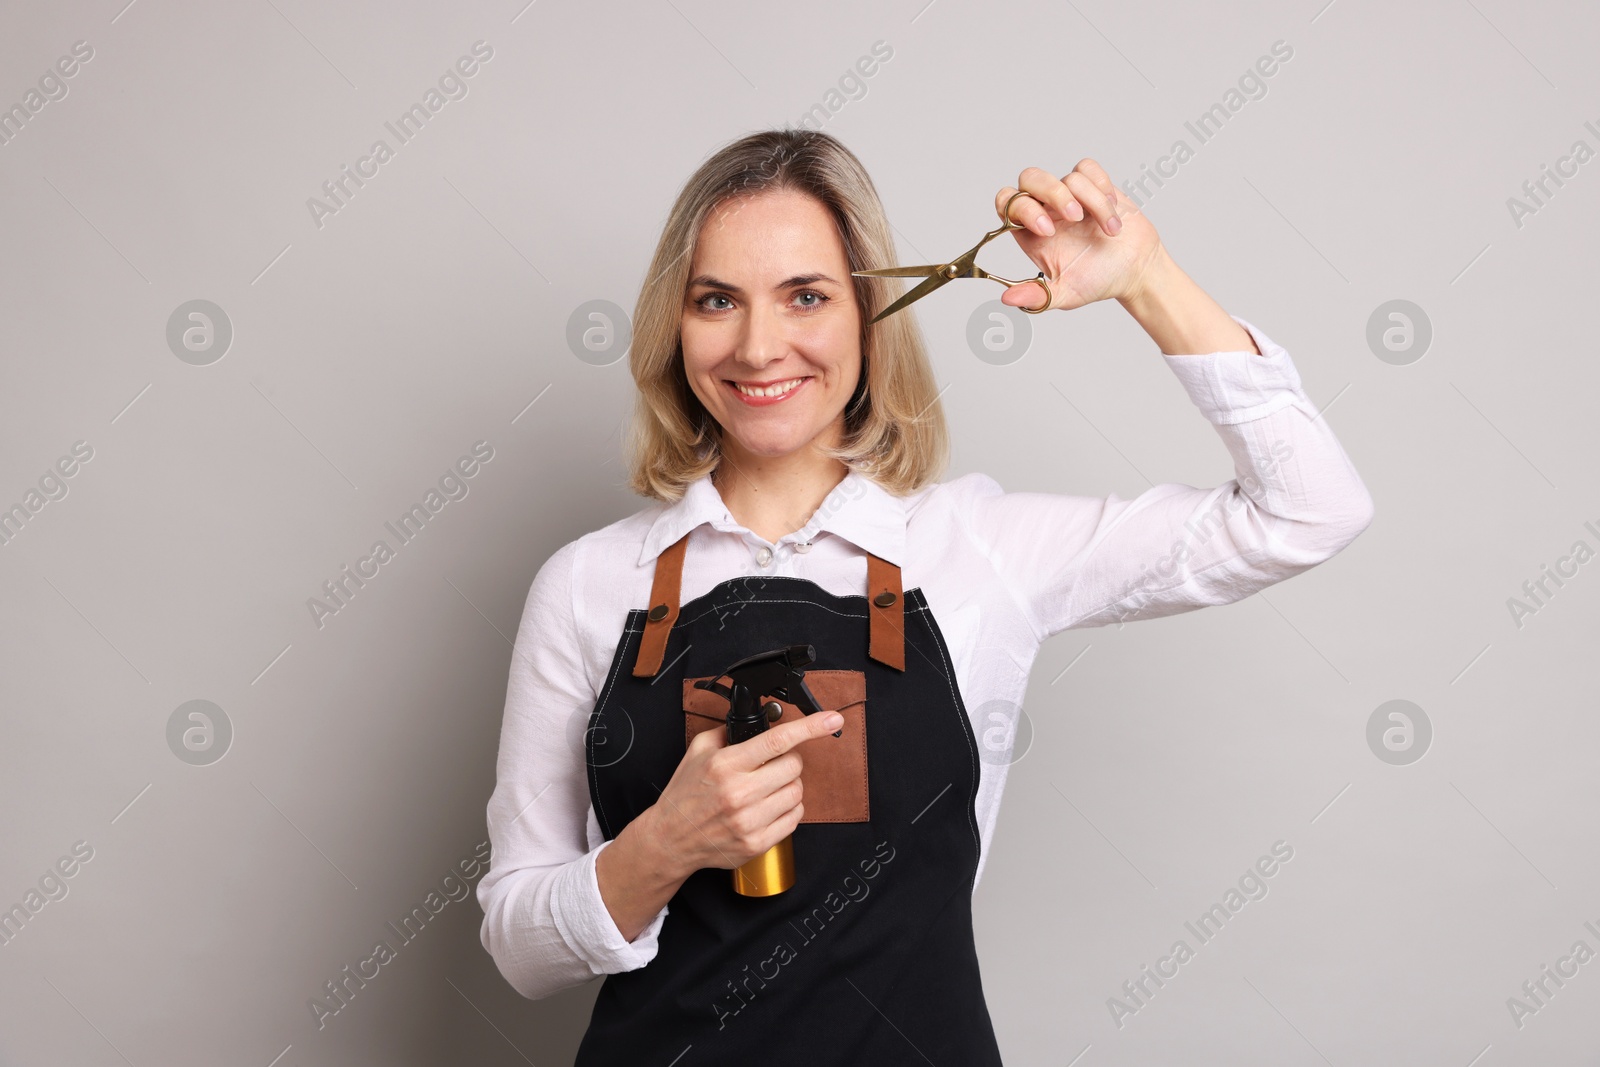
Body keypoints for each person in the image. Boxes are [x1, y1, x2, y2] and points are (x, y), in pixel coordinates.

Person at [476, 127, 1373, 1064]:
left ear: (873, 315)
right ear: (675, 323)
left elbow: (1309, 509)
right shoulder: (586, 585)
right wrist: (664, 842)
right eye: (716, 300)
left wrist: (1145, 277)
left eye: (807, 296)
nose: (758, 344)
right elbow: (520, 948)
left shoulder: (979, 548)